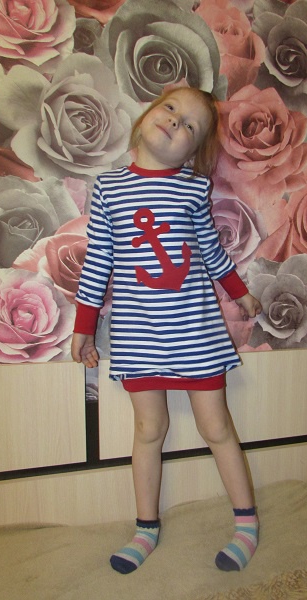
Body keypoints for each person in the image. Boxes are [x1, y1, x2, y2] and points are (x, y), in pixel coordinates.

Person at [72, 86, 262, 575]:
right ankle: (145, 527)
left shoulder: (192, 188)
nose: (177, 121)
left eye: (191, 126)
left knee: (216, 427)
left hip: (196, 332)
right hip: (138, 335)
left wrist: (240, 292)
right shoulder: (108, 188)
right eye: (171, 109)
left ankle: (246, 522)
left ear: (193, 151)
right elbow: (98, 262)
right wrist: (84, 327)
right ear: (146, 117)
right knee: (148, 429)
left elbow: (212, 251)